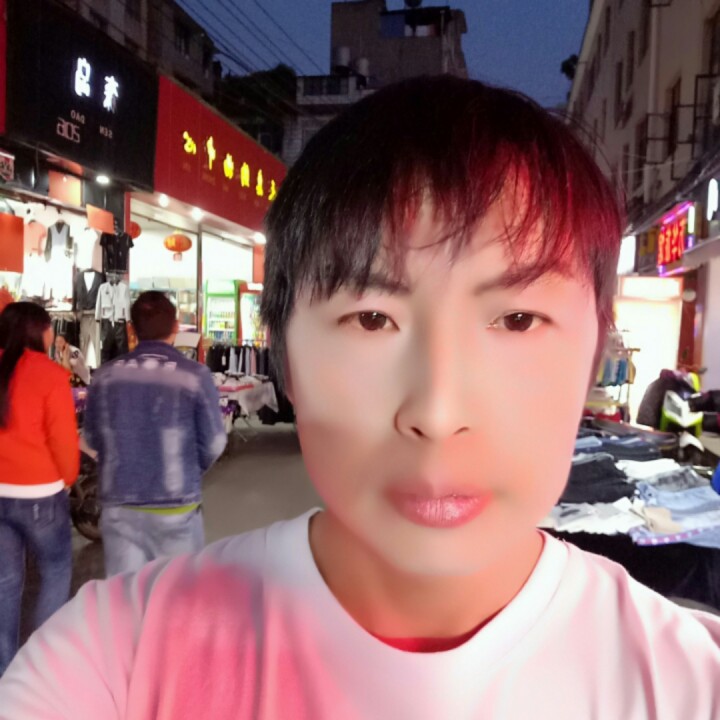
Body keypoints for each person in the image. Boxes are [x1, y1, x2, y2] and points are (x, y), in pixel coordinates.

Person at [1, 76, 719, 717]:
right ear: (284, 356)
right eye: (372, 320)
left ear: (594, 352)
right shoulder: (116, 656)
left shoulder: (687, 682)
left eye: (518, 320)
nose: (437, 414)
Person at [80, 291, 226, 577]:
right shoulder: (195, 376)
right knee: (176, 594)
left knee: (126, 594)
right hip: (175, 506)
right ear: (176, 327)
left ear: (131, 329)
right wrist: (188, 469)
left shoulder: (105, 377)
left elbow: (93, 439)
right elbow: (215, 442)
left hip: (119, 504)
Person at [0, 302, 79, 677]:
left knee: (4, 583)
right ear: (41, 332)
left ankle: (5, 673)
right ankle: (40, 670)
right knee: (55, 571)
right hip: (39, 494)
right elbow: (64, 443)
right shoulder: (50, 374)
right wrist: (68, 478)